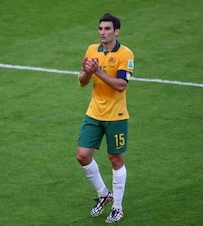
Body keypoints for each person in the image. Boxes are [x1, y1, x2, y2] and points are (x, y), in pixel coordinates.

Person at [76, 13, 134, 223]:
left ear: (116, 31)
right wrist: (87, 72)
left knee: (115, 159)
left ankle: (117, 208)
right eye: (100, 28)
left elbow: (121, 85)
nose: (103, 32)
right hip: (94, 112)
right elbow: (82, 82)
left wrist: (97, 71)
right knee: (82, 155)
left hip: (116, 116)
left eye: (107, 29)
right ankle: (104, 194)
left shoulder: (125, 54)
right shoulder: (92, 50)